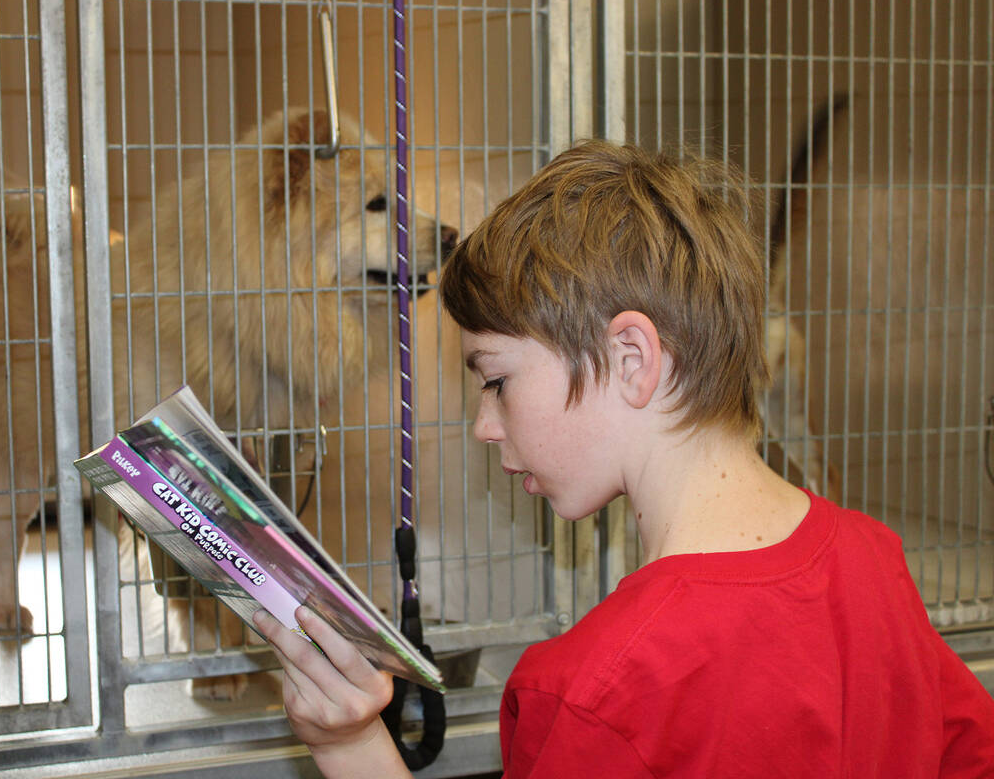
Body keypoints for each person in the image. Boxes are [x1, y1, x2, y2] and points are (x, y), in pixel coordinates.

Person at [254, 139, 994, 777]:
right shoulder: (873, 563)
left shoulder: (600, 690)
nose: (484, 424)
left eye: (497, 381)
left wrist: (351, 748)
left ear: (633, 358)